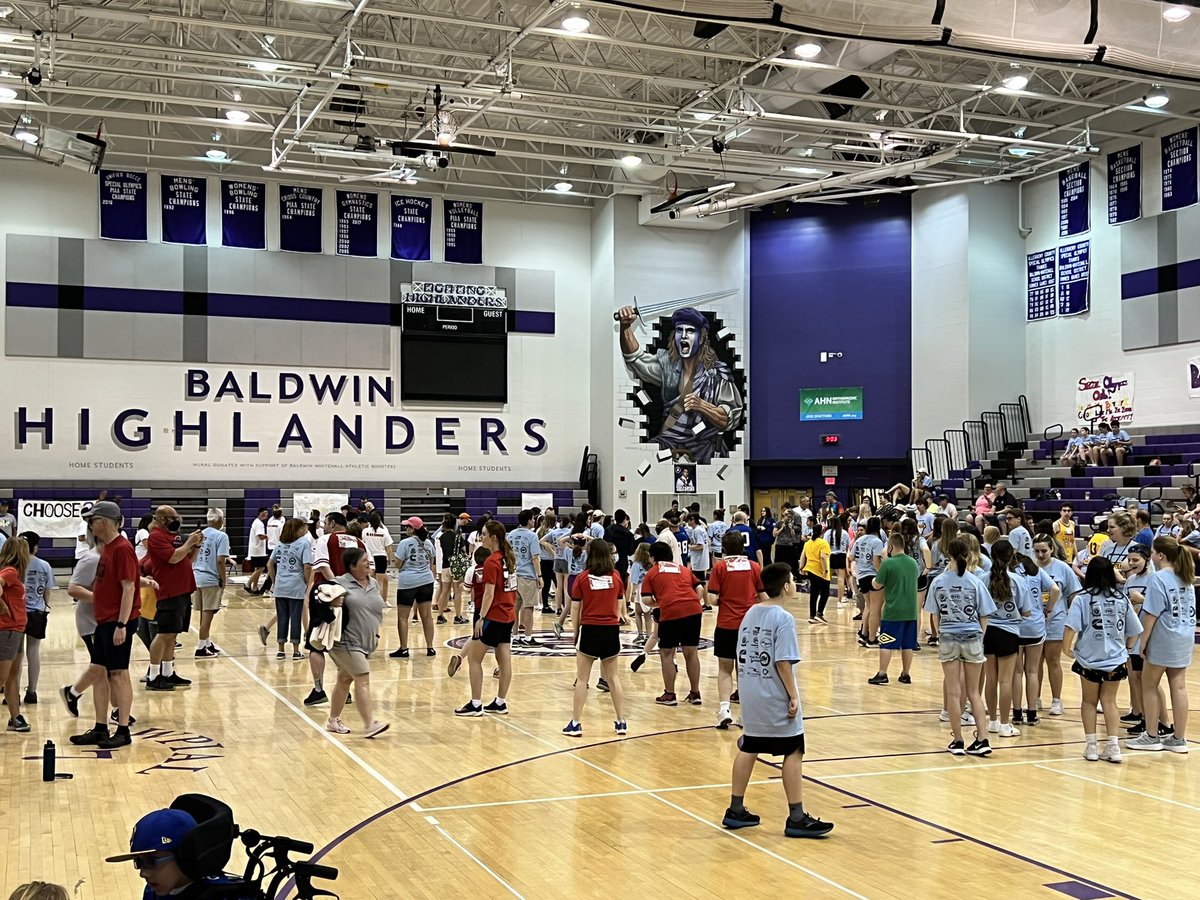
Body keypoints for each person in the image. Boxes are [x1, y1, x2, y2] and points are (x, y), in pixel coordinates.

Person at [721, 562, 833, 839]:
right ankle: (796, 817)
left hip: (750, 690)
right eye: (793, 579)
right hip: (773, 693)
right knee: (794, 750)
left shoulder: (750, 613)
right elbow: (782, 662)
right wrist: (793, 695)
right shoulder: (783, 618)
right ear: (785, 586)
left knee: (750, 745)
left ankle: (735, 809)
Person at [618, 304, 744, 464]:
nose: (684, 336)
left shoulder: (717, 374)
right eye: (680, 330)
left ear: (701, 337)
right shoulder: (667, 367)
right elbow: (635, 359)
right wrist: (625, 326)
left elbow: (728, 419)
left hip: (704, 445)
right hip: (669, 441)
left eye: (690, 331)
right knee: (645, 457)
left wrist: (702, 406)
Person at [71, 501, 140, 749]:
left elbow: (129, 587)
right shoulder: (107, 548)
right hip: (104, 621)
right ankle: (101, 728)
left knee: (118, 674)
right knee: (99, 671)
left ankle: (123, 730)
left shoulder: (122, 549)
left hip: (116, 621)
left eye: (92, 520)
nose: (89, 525)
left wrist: (122, 624)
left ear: (104, 521)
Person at [1064, 557, 1142, 763]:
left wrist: (1067, 649)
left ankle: (1091, 746)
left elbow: (1070, 627)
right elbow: (1134, 630)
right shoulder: (1121, 598)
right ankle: (1113, 746)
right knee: (1110, 701)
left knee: (1089, 702)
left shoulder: (1082, 599)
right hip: (1115, 659)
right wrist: (1127, 648)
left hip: (1089, 658)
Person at [925, 537, 996, 756]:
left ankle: (957, 740)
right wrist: (980, 637)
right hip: (972, 635)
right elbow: (985, 614)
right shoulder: (975, 581)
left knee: (954, 693)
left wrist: (940, 635)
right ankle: (982, 738)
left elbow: (934, 616)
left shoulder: (938, 581)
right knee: (974, 693)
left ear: (949, 555)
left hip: (948, 636)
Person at [1127, 536, 1195, 753]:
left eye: (1154, 553)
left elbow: (1151, 615)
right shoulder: (1186, 576)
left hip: (1163, 636)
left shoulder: (1158, 578)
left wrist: (1142, 643)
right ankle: (1179, 739)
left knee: (1149, 685)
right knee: (1179, 686)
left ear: (1160, 555)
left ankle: (1152, 736)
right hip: (1184, 637)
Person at [105, 807, 256, 899]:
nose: (143, 873)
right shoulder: (153, 892)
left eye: (152, 861)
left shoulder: (226, 896)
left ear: (184, 855)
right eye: (139, 862)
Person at [562, 540, 628, 737]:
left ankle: (575, 723)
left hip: (590, 629)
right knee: (613, 678)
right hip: (610, 630)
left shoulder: (582, 578)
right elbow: (619, 606)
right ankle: (621, 721)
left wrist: (575, 630)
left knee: (582, 679)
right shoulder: (616, 577)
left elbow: (575, 608)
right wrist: (614, 622)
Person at [322, 548, 389, 738]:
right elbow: (317, 599)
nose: (368, 563)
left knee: (344, 680)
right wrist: (331, 603)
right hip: (345, 643)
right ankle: (369, 724)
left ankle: (333, 720)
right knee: (363, 679)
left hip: (367, 642)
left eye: (368, 560)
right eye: (364, 561)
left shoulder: (374, 583)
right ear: (352, 566)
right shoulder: (339, 583)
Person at [455, 521, 518, 717]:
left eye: (483, 534)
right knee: (504, 658)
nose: (480, 538)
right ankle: (501, 701)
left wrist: (481, 617)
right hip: (508, 614)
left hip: (494, 615)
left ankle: (475, 704)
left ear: (493, 538)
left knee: (474, 658)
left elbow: (489, 594)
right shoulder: (508, 558)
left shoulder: (491, 562)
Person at [304, 513, 367, 706]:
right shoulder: (359, 543)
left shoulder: (325, 540)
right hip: (353, 600)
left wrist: (337, 589)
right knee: (344, 645)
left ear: (332, 524)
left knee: (316, 644)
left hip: (328, 597)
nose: (323, 527)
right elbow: (367, 572)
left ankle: (318, 689)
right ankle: (344, 689)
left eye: (324, 523)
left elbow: (323, 566)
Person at [708, 531, 766, 729]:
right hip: (749, 626)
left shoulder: (720, 567)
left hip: (726, 624)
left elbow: (712, 599)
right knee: (746, 669)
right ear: (743, 547)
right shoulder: (754, 567)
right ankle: (746, 714)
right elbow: (763, 596)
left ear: (723, 548)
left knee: (725, 669)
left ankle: (724, 710)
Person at [144, 506, 201, 692]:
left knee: (173, 635)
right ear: (162, 519)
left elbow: (188, 560)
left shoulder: (173, 536)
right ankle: (153, 675)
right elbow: (174, 558)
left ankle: (168, 673)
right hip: (169, 591)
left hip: (183, 591)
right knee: (163, 634)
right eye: (172, 517)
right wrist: (189, 542)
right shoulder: (156, 536)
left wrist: (196, 545)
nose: (176, 520)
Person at [641, 540, 703, 706]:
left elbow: (646, 598)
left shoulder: (652, 573)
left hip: (671, 612)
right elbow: (700, 589)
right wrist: (691, 602)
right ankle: (695, 692)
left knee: (667, 653)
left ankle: (670, 694)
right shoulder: (682, 569)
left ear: (652, 557)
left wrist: (660, 603)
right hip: (694, 611)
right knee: (691, 652)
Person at [982, 540, 1032, 738]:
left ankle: (992, 721)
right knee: (1005, 681)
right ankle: (1004, 724)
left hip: (987, 632)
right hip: (1009, 632)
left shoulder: (982, 578)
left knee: (990, 679)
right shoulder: (1018, 581)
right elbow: (1026, 611)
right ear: (1011, 557)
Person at [1033, 535, 1081, 717]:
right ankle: (1034, 698)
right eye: (1036, 551)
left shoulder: (1062, 568)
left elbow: (1074, 593)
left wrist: (1072, 617)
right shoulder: (1030, 566)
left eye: (1044, 551)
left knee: (1053, 661)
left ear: (1051, 549)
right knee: (1034, 663)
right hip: (1034, 622)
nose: (1040, 554)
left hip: (1056, 620)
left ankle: (1056, 700)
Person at [1011, 551, 1058, 728]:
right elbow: (1055, 589)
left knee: (1016, 672)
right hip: (1035, 625)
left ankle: (1016, 713)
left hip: (1015, 625)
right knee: (1032, 671)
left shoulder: (1012, 573)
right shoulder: (1036, 571)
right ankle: (1031, 713)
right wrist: (1049, 609)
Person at [868, 531, 919, 685]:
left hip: (893, 610)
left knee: (886, 642)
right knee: (908, 643)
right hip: (911, 610)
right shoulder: (913, 563)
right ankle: (905, 674)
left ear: (890, 546)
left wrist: (872, 580)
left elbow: (877, 585)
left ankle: (883, 672)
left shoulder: (888, 564)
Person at [390, 516, 437, 659]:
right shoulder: (428, 543)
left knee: (403, 617)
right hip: (426, 581)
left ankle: (404, 648)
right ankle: (430, 647)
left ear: (412, 529)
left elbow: (398, 564)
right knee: (427, 616)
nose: (406, 529)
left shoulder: (405, 543)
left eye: (407, 527)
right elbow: (431, 563)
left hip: (407, 582)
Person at [268, 518, 312, 660]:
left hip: (281, 586)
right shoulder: (304, 543)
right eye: (303, 528)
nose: (305, 530)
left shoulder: (279, 544)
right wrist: (307, 582)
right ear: (297, 530)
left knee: (282, 617)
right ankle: (295, 650)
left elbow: (270, 564)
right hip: (296, 586)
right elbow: (307, 566)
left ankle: (280, 650)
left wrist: (275, 581)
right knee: (295, 618)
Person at [18, 531, 54, 704]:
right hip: (37, 613)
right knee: (33, 652)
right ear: (36, 548)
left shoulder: (13, 564)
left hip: (16, 614)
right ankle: (32, 692)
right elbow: (47, 591)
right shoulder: (44, 565)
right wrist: (46, 606)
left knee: (16, 655)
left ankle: (13, 692)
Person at [0, 536, 30, 733]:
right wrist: (3, 607)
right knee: (1, 678)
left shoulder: (16, 574)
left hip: (17, 630)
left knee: (13, 675)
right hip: (7, 631)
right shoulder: (10, 571)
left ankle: (15, 717)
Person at [191, 509, 229, 659]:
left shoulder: (199, 534)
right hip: (210, 579)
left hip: (196, 577)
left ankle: (206, 642)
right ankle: (200, 647)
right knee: (209, 614)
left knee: (203, 613)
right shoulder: (222, 536)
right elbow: (220, 560)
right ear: (220, 520)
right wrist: (223, 579)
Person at [508, 509, 543, 647]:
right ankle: (528, 638)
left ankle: (515, 636)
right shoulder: (532, 536)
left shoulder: (510, 535)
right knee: (529, 607)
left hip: (514, 574)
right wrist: (539, 575)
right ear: (529, 520)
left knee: (515, 607)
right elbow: (535, 557)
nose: (534, 521)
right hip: (527, 575)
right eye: (533, 519)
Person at [853, 517, 885, 646]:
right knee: (875, 609)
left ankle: (864, 633)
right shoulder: (877, 541)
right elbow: (876, 561)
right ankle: (872, 639)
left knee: (869, 606)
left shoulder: (859, 540)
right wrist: (882, 575)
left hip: (861, 576)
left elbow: (851, 556)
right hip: (873, 576)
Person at [801, 519, 832, 624]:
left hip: (810, 568)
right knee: (825, 593)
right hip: (820, 570)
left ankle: (812, 615)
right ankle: (819, 613)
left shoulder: (808, 543)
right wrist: (825, 570)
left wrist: (801, 567)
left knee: (814, 593)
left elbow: (803, 556)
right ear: (822, 532)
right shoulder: (823, 543)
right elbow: (823, 557)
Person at [361, 511, 394, 606]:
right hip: (381, 557)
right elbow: (389, 548)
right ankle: (381, 602)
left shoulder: (364, 531)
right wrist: (390, 559)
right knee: (380, 581)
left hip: (369, 557)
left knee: (369, 579)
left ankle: (368, 600)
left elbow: (363, 544)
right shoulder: (384, 532)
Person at [246, 507, 269, 594]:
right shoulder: (259, 524)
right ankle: (248, 584)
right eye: (264, 513)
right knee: (262, 568)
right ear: (260, 513)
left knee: (258, 568)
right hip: (257, 550)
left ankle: (255, 587)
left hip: (258, 550)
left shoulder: (257, 522)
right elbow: (260, 536)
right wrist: (269, 536)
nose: (266, 515)